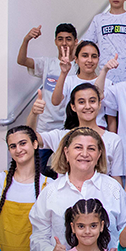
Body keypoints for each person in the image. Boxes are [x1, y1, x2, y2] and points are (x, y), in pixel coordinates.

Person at [27, 83, 124, 182]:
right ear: (73, 107)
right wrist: (33, 113)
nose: (87, 106)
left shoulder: (113, 140)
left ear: (99, 104)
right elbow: (29, 139)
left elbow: (116, 178)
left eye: (92, 101)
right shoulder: (61, 136)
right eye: (81, 102)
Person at [16, 23, 78, 176]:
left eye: (68, 39)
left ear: (75, 41)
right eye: (60, 39)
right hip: (45, 127)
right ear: (55, 41)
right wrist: (26, 39)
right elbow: (22, 60)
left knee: (67, 172)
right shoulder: (47, 63)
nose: (64, 43)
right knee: (34, 171)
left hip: (68, 128)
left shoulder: (79, 66)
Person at [50, 41, 113, 129]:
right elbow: (55, 101)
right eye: (85, 56)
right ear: (76, 59)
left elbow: (111, 117)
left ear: (98, 60)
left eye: (94, 56)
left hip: (98, 130)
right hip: (73, 129)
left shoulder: (107, 83)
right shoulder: (69, 80)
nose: (89, 60)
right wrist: (63, 73)